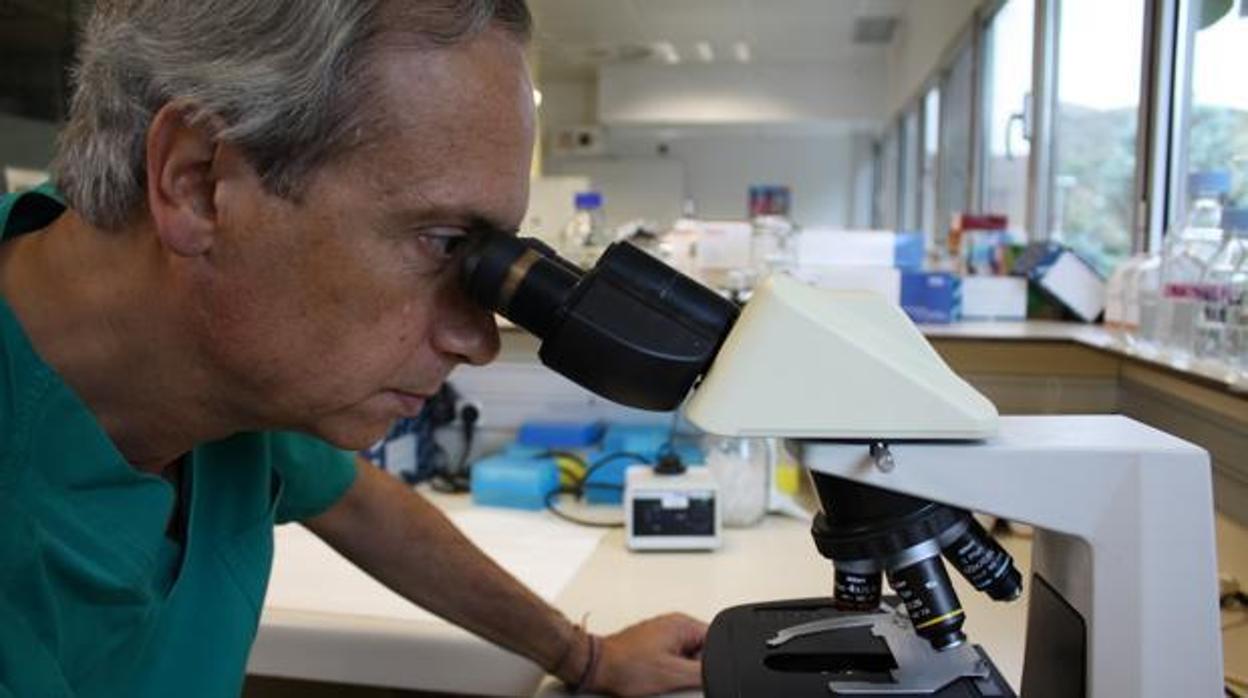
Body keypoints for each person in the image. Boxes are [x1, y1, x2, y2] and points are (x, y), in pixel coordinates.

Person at [0, 1, 706, 696]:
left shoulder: (225, 371)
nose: (478, 340)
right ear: (198, 182)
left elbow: (357, 504)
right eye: (445, 243)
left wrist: (585, 656)